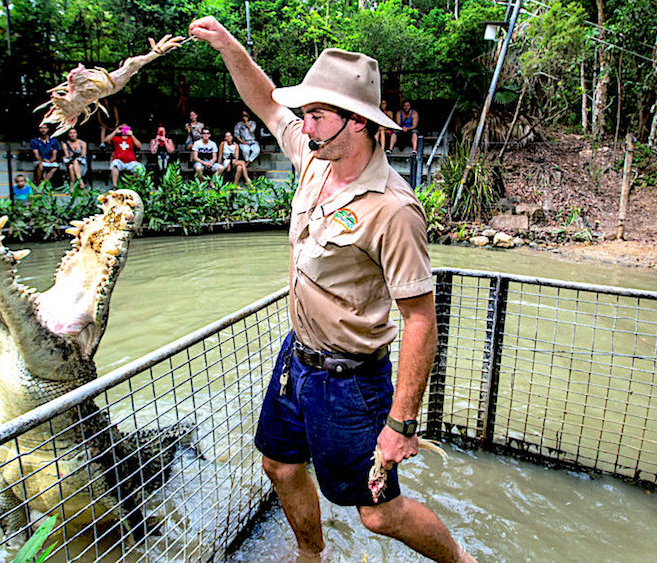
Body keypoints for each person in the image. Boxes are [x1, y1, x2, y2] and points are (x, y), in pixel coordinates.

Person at [189, 17, 476, 563]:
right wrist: (229, 47)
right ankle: (310, 554)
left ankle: (462, 561)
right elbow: (268, 104)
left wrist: (401, 424)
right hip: (295, 357)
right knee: (279, 463)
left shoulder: (393, 210)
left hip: (352, 382)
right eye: (308, 115)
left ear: (358, 124)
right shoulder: (315, 159)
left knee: (375, 511)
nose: (305, 124)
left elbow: (419, 320)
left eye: (317, 115)